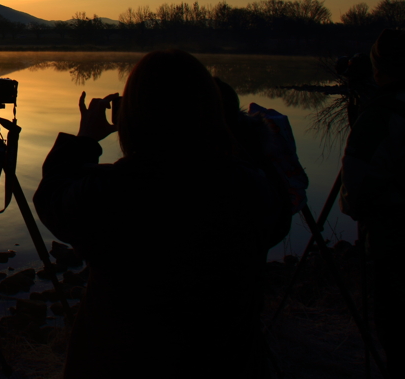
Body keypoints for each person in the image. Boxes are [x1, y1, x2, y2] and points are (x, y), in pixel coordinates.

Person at [33, 50, 283, 378]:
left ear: (132, 117)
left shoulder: (115, 193)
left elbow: (52, 199)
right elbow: (278, 218)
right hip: (226, 364)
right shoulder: (249, 188)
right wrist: (241, 135)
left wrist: (85, 140)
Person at [339, 29, 405, 377]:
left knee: (401, 337)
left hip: (398, 246)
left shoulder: (380, 116)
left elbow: (353, 198)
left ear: (376, 67)